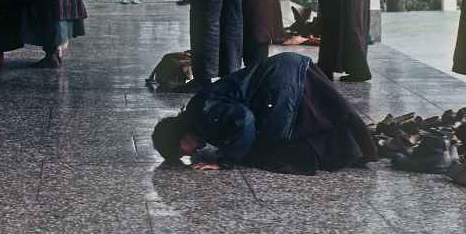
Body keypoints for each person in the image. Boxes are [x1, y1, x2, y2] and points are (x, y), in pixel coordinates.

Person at [151, 52, 377, 174]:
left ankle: (352, 150)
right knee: (328, 117)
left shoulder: (203, 116)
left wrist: (225, 161)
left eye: (183, 152)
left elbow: (245, 121)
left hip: (282, 84)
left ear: (180, 139)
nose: (190, 153)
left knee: (275, 147)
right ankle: (361, 146)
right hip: (290, 68)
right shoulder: (197, 114)